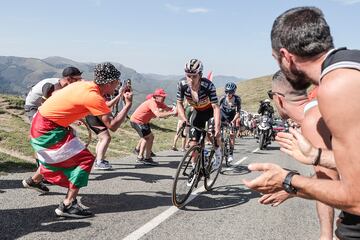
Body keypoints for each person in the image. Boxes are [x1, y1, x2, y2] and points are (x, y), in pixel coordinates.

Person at [243, 7, 360, 239]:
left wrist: (287, 180)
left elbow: (357, 198)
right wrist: (317, 156)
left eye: (277, 60)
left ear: (287, 57)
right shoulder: (351, 64)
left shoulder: (336, 87)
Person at [22, 62, 132, 218]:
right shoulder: (93, 96)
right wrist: (127, 106)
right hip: (49, 129)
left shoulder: (84, 85)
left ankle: (33, 181)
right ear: (108, 83)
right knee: (85, 159)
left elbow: (93, 105)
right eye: (116, 83)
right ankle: (68, 204)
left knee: (59, 157)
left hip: (43, 122)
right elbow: (112, 126)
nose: (117, 86)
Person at [263, 70, 338, 240]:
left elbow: (327, 182)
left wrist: (325, 236)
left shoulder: (311, 120)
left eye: (271, 95)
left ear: (279, 98)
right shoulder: (319, 107)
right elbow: (330, 170)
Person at [23, 66, 83, 193]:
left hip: (44, 110)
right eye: (77, 79)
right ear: (69, 79)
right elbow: (46, 109)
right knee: (43, 138)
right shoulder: (51, 86)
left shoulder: (65, 86)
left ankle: (42, 173)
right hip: (34, 107)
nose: (80, 82)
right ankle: (41, 172)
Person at [176, 58, 222, 171]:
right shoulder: (182, 84)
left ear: (200, 75)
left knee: (212, 134)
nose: (191, 80)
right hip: (197, 112)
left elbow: (216, 107)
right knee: (193, 144)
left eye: (194, 76)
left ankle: (218, 154)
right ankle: (195, 168)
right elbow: (179, 103)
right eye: (188, 76)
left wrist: (217, 127)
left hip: (210, 112)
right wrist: (184, 119)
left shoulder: (208, 86)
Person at [85, 80, 126, 170]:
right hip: (93, 118)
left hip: (94, 117)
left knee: (103, 138)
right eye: (115, 85)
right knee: (106, 138)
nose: (115, 88)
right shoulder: (101, 93)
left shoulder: (104, 92)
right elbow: (107, 105)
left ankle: (99, 160)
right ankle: (99, 161)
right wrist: (119, 95)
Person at [130, 88, 177, 165]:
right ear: (156, 96)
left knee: (149, 137)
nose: (164, 98)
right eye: (162, 96)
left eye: (164, 96)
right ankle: (142, 157)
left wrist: (176, 110)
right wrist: (172, 113)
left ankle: (143, 155)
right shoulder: (152, 102)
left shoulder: (160, 102)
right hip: (137, 121)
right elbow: (158, 115)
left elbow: (168, 109)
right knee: (147, 137)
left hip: (143, 122)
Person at [219, 82, 241, 163]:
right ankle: (220, 150)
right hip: (222, 116)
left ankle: (231, 153)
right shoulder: (222, 98)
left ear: (234, 92)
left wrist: (233, 121)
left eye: (231, 92)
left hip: (232, 117)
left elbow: (238, 112)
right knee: (218, 134)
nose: (228, 94)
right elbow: (217, 109)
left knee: (231, 135)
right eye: (227, 92)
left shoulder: (237, 99)